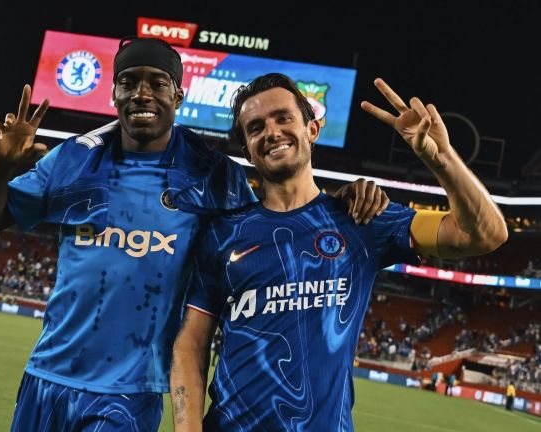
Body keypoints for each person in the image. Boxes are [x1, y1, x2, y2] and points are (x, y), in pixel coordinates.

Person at [0, 38, 389, 431]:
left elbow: (275, 214)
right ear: (113, 93)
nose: (142, 94)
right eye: (128, 83)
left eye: (158, 83)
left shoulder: (212, 172)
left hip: (130, 393)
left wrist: (337, 203)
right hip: (47, 373)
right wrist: (2, 166)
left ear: (179, 97)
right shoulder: (75, 158)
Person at [170, 73, 508, 431]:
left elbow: (483, 236)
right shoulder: (222, 233)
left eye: (283, 118)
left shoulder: (363, 219)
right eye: (255, 128)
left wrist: (442, 159)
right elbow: (190, 344)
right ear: (248, 150)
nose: (271, 132)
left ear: (312, 130)